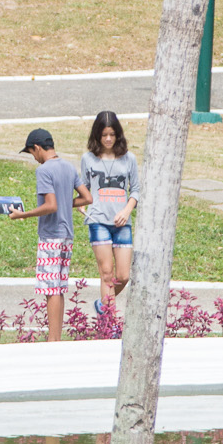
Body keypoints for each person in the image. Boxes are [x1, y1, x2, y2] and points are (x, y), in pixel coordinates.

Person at [3, 129, 87, 343]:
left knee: (51, 290)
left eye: (32, 153)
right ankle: (56, 338)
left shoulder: (44, 171)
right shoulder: (69, 166)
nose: (34, 158)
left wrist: (24, 214)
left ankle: (52, 340)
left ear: (37, 148)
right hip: (67, 235)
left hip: (51, 235)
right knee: (58, 288)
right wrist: (66, 202)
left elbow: (50, 206)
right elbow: (87, 197)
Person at [80, 112, 138, 312]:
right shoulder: (88, 159)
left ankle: (102, 305)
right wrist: (81, 203)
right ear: (96, 135)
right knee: (106, 273)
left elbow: (136, 190)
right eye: (104, 135)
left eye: (112, 134)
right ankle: (109, 320)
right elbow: (84, 187)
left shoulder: (129, 159)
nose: (108, 139)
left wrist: (127, 210)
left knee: (123, 276)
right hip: (98, 221)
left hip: (122, 223)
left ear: (118, 135)